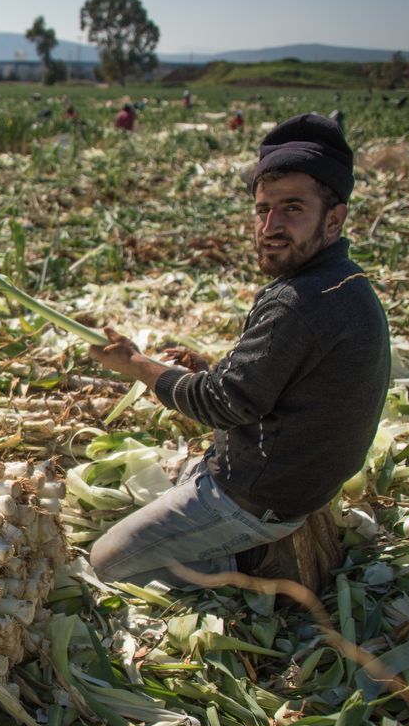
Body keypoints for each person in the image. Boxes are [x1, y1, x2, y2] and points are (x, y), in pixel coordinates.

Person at [86, 113, 390, 590]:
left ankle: (248, 564)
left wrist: (138, 365)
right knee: (175, 477)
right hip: (300, 479)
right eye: (263, 209)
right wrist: (206, 369)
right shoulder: (346, 283)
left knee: (107, 563)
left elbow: (223, 405)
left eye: (292, 209)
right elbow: (277, 383)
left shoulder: (302, 301)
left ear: (333, 218)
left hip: (262, 496)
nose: (270, 226)